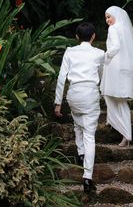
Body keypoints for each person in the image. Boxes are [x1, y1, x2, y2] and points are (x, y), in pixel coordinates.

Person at [54, 22, 105, 193]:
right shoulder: (99, 54)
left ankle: (81, 153)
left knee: (77, 124)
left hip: (73, 95)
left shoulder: (70, 52)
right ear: (93, 37)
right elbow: (101, 75)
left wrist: (58, 103)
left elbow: (62, 78)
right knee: (89, 134)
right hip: (90, 94)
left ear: (77, 37)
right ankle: (87, 177)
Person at [100, 6, 133, 147]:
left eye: (109, 16)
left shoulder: (113, 29)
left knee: (110, 97)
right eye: (106, 18)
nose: (107, 20)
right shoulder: (124, 29)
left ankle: (123, 131)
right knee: (120, 101)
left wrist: (105, 56)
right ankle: (124, 132)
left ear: (116, 15)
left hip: (115, 68)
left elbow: (115, 47)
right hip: (123, 69)